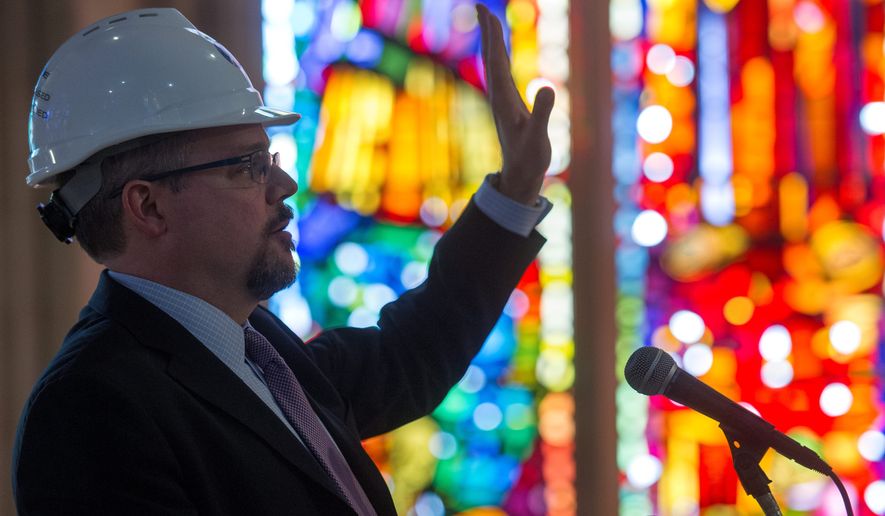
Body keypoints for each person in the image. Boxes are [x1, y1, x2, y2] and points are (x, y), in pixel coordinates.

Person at [12, 5, 555, 516]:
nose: (284, 184)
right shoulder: (89, 410)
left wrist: (514, 189)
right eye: (246, 167)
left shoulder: (255, 344)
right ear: (148, 206)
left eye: (267, 158)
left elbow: (406, 355)